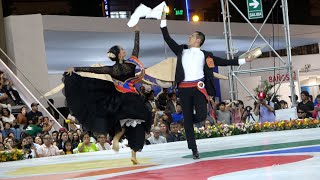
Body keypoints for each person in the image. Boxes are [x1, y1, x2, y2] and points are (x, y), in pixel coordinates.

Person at [159, 12, 255, 159]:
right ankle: (194, 149)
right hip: (184, 89)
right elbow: (167, 38)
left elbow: (223, 61)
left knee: (202, 115)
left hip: (198, 88)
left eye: (191, 36)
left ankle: (187, 119)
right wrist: (163, 21)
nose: (188, 38)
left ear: (198, 40)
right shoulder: (181, 50)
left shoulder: (206, 55)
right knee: (190, 121)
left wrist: (242, 61)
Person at [63, 26, 151, 165]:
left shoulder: (112, 69)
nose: (124, 50)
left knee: (125, 122)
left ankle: (117, 138)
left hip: (121, 99)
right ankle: (133, 153)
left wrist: (75, 68)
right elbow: (136, 49)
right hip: (133, 99)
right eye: (122, 49)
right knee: (138, 124)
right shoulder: (131, 65)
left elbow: (94, 70)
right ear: (120, 54)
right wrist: (137, 33)